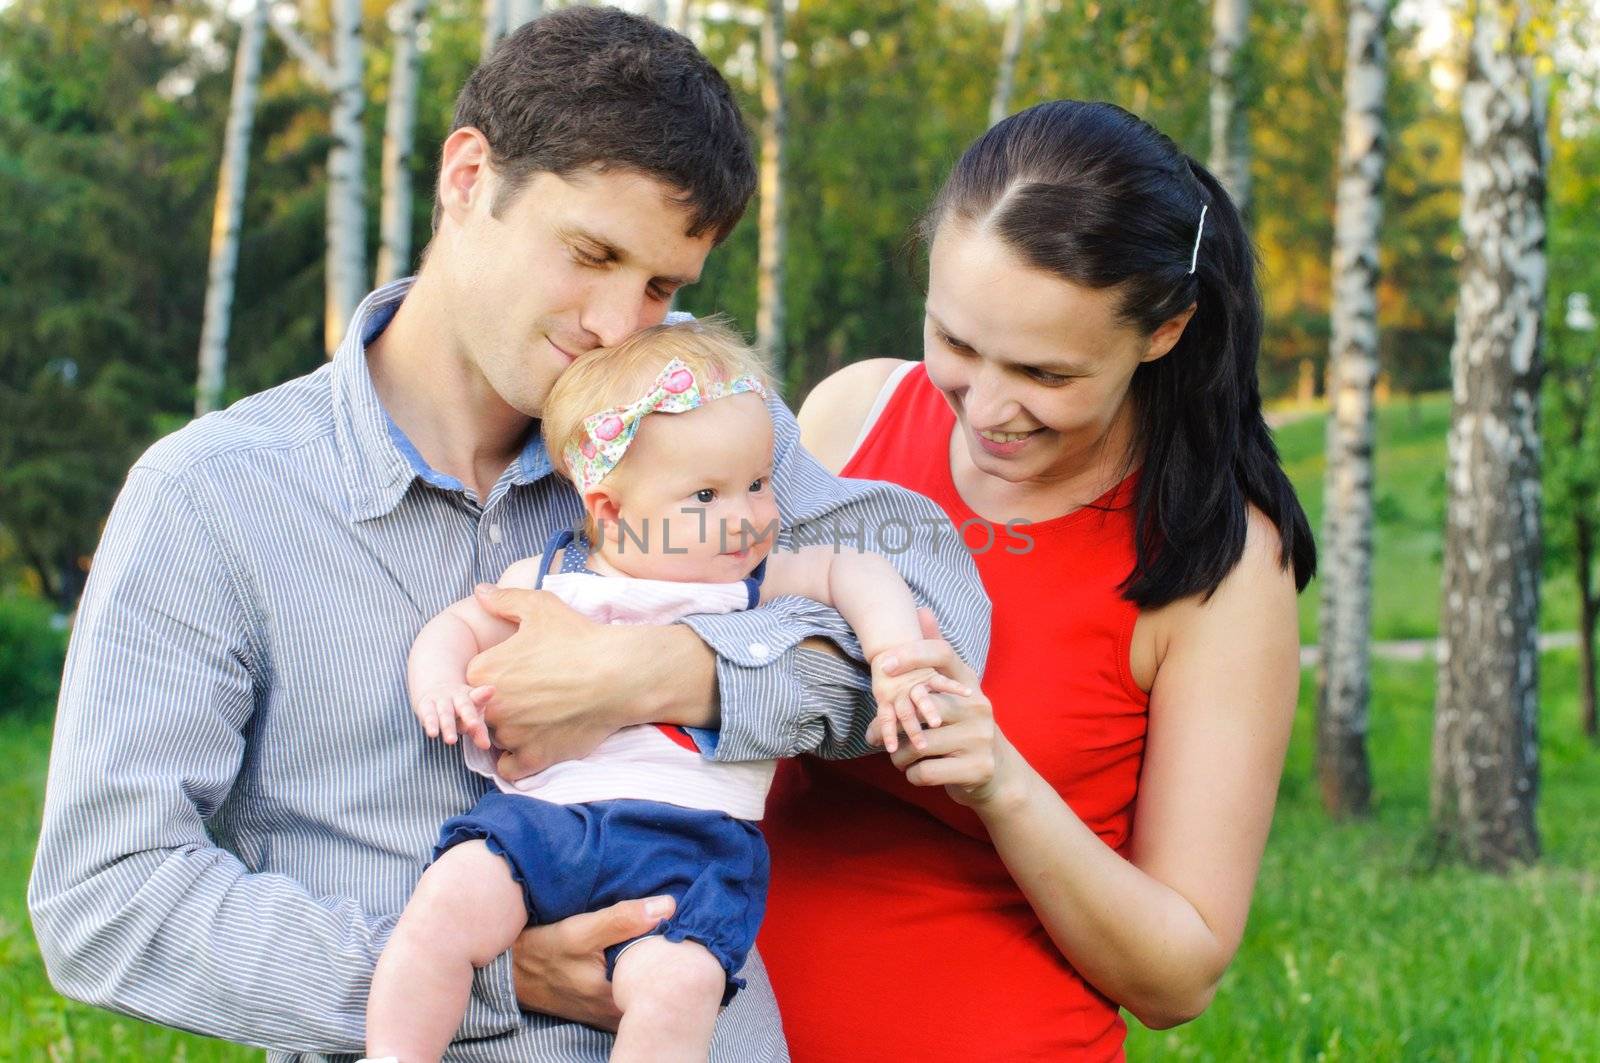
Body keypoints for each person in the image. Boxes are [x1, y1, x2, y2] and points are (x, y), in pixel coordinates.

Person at [27, 10, 987, 1062]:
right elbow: (105, 897)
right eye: (591, 253)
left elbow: (941, 613)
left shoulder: (685, 423)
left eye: (662, 286)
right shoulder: (211, 497)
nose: (621, 324)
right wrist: (483, 970)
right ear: (469, 176)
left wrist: (665, 670)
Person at [753, 100, 1318, 1061]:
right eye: (958, 346)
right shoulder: (849, 419)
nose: (990, 407)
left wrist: (1002, 785)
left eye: (1046, 373)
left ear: (1165, 331)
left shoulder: (1217, 567)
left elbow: (1178, 974)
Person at [364, 321, 960, 1063]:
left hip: (693, 849)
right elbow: (457, 626)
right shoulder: (553, 581)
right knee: (445, 905)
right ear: (610, 509)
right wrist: (439, 682)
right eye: (707, 494)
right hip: (546, 823)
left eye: (758, 483)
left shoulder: (748, 587)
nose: (747, 516)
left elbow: (856, 572)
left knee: (678, 987)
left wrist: (895, 650)